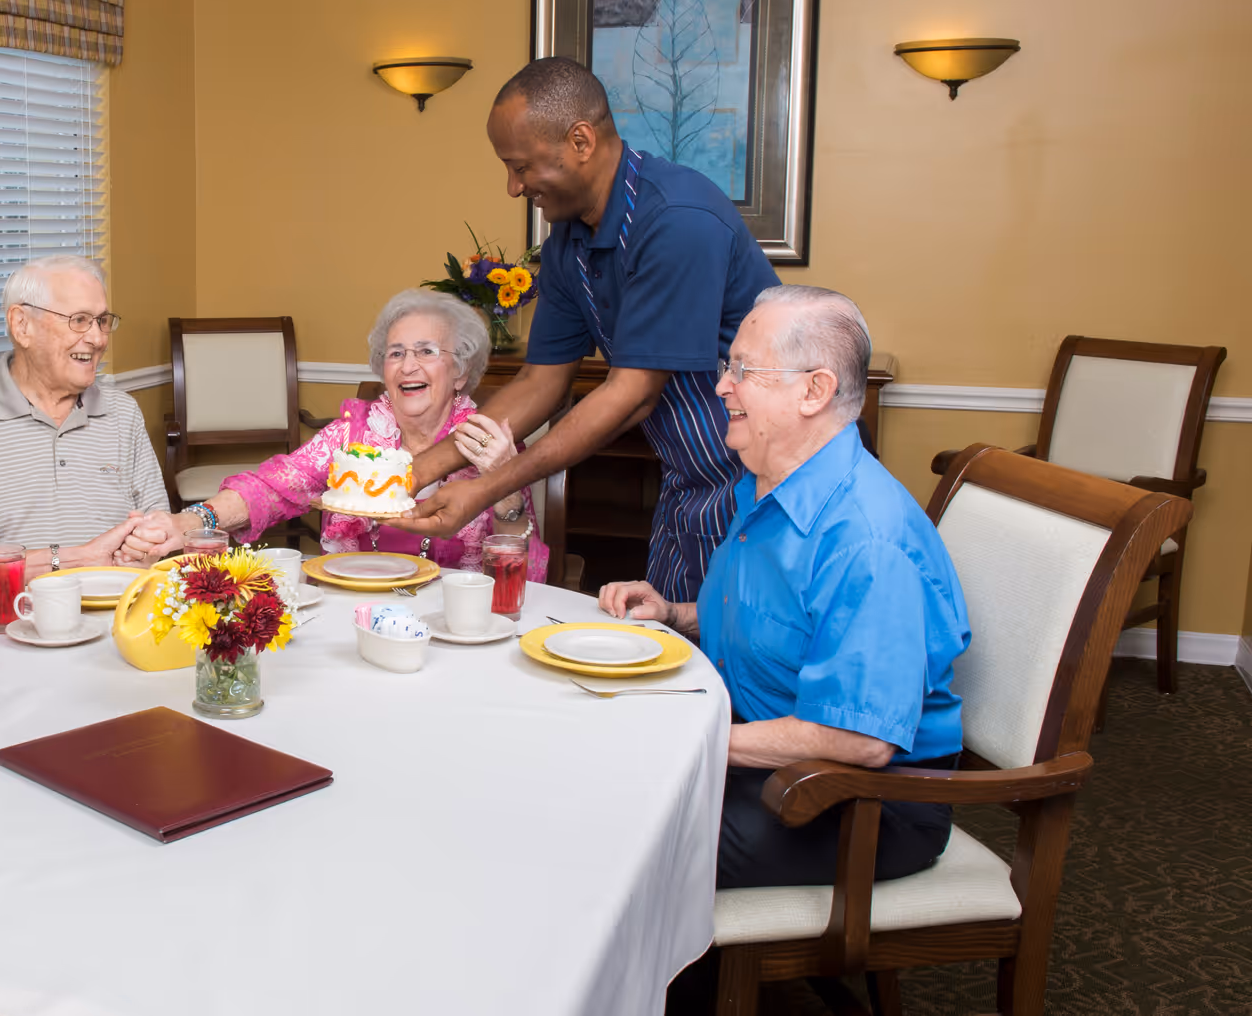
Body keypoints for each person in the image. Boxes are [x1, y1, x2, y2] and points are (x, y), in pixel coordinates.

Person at [601, 285, 969, 889]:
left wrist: (695, 738)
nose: (722, 387)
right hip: (776, 750)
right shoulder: (770, 485)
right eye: (728, 367)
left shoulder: (866, 541)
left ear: (813, 391)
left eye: (743, 370)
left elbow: (860, 738)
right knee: (591, 784)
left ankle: (675, 981)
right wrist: (676, 614)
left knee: (626, 837)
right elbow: (790, 622)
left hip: (864, 800)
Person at [389, 56, 779, 605]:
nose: (512, 186)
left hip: (761, 486)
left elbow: (631, 396)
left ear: (580, 140)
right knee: (666, 645)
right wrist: (416, 471)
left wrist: (483, 490)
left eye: (521, 167)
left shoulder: (677, 220)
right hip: (686, 481)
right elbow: (539, 384)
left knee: (743, 660)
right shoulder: (567, 246)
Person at [119, 289, 548, 578]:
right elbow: (272, 485)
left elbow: (524, 572)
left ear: (461, 373)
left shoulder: (487, 441)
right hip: (353, 608)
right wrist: (192, 520)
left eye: (427, 352)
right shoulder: (353, 436)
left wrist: (506, 488)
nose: (408, 365)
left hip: (451, 622)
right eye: (395, 353)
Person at [0, 255, 154, 576]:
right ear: (22, 325)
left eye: (102, 320)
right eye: (79, 320)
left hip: (119, 611)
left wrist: (147, 546)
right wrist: (68, 561)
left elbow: (157, 527)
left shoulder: (123, 412)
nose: (98, 338)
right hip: (12, 616)